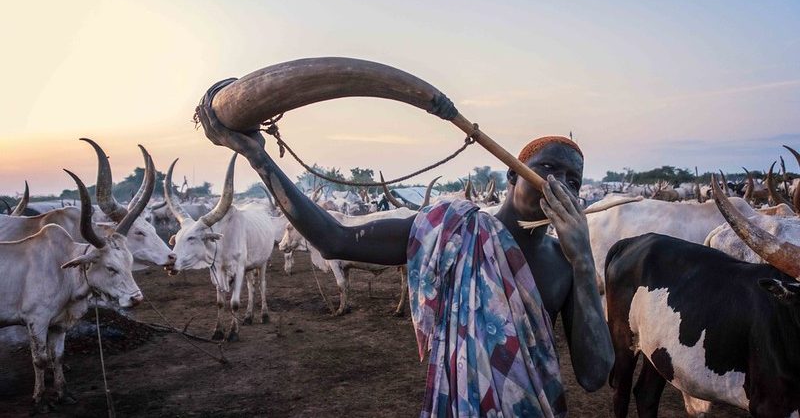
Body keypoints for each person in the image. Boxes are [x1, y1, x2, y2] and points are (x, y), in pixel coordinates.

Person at [196, 101, 613, 417]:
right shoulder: (453, 230)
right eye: (548, 169)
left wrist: (582, 259)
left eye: (573, 181)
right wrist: (259, 157)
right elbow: (334, 239)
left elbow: (595, 376)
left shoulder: (565, 263)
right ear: (512, 173)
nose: (560, 185)